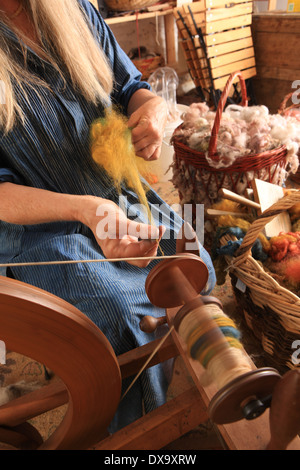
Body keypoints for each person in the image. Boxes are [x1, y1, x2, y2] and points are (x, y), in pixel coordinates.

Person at [0, 0, 216, 432]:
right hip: (37, 227)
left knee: (197, 263)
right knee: (120, 313)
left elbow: (129, 84)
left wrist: (150, 108)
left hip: (114, 197)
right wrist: (87, 210)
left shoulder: (71, 8)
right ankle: (138, 432)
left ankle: (162, 390)